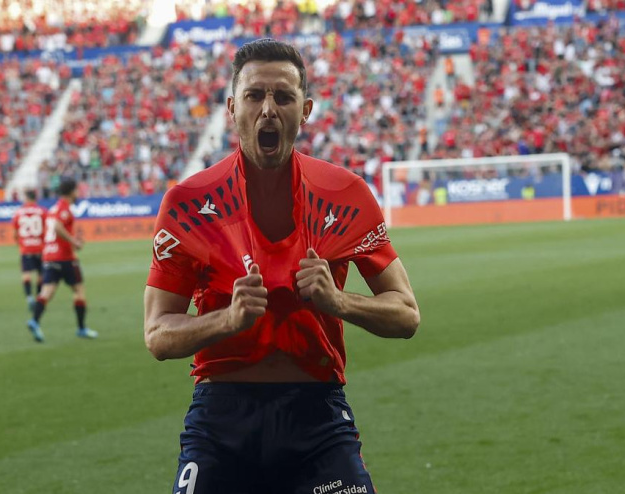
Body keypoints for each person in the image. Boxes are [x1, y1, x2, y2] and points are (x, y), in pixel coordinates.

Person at [143, 39, 420, 493]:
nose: (268, 109)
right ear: (233, 107)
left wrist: (337, 301)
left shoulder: (346, 193)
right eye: (254, 95)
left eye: (283, 97)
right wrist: (228, 320)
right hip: (220, 420)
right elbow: (157, 336)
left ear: (305, 109)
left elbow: (406, 314)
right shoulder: (187, 203)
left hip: (317, 418)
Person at [27, 178, 97, 342]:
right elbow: (58, 227)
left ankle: (35, 321)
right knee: (79, 291)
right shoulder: (65, 209)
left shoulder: (53, 208)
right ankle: (81, 328)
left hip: (49, 256)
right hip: (65, 258)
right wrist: (74, 242)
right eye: (77, 190)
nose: (78, 193)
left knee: (47, 291)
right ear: (72, 191)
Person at [12, 189, 47, 311]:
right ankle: (39, 298)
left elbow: (15, 233)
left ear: (26, 198)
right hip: (40, 247)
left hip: (26, 248)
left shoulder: (19, 212)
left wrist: (20, 244)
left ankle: (29, 297)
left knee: (26, 273)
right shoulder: (42, 211)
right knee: (41, 274)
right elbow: (48, 229)